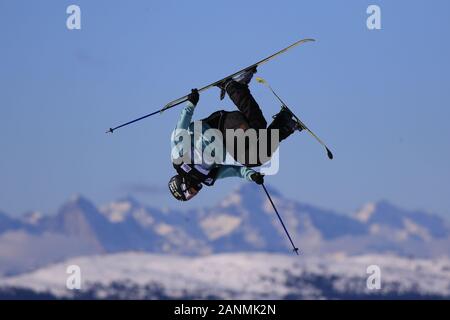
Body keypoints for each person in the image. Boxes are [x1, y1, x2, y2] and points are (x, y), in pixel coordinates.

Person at [168, 68, 300, 201]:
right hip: (229, 143)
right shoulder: (208, 177)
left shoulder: (179, 159)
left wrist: (191, 104)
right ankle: (286, 123)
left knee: (257, 127)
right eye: (193, 195)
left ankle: (233, 86)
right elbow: (235, 171)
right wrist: (252, 176)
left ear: (183, 184)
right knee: (256, 158)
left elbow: (180, 129)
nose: (195, 192)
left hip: (218, 126)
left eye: (191, 191)